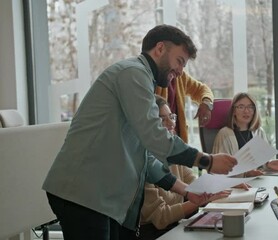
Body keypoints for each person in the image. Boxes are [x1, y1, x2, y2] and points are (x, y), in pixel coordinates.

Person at [42, 24, 237, 240]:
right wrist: (207, 161)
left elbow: (146, 158)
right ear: (160, 49)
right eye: (180, 61)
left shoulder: (141, 80)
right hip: (83, 192)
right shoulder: (133, 73)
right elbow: (156, 138)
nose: (181, 71)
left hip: (99, 196)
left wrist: (187, 191)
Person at [138, 95, 228, 239]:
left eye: (171, 117)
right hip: (152, 233)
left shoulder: (175, 150)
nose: (171, 123)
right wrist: (201, 200)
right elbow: (161, 218)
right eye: (162, 119)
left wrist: (226, 184)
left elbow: (194, 184)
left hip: (175, 227)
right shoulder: (142, 160)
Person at [212, 92, 278, 177]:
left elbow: (261, 163)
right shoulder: (225, 134)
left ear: (254, 111)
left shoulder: (259, 131)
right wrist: (245, 174)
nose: (246, 111)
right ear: (234, 111)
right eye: (241, 107)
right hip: (235, 186)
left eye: (250, 107)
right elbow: (218, 171)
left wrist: (268, 165)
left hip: (258, 181)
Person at [155, 71, 214, 143]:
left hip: (178, 139)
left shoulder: (181, 77)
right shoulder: (150, 75)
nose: (180, 70)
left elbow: (202, 89)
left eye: (183, 64)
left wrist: (206, 102)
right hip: (158, 140)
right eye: (180, 61)